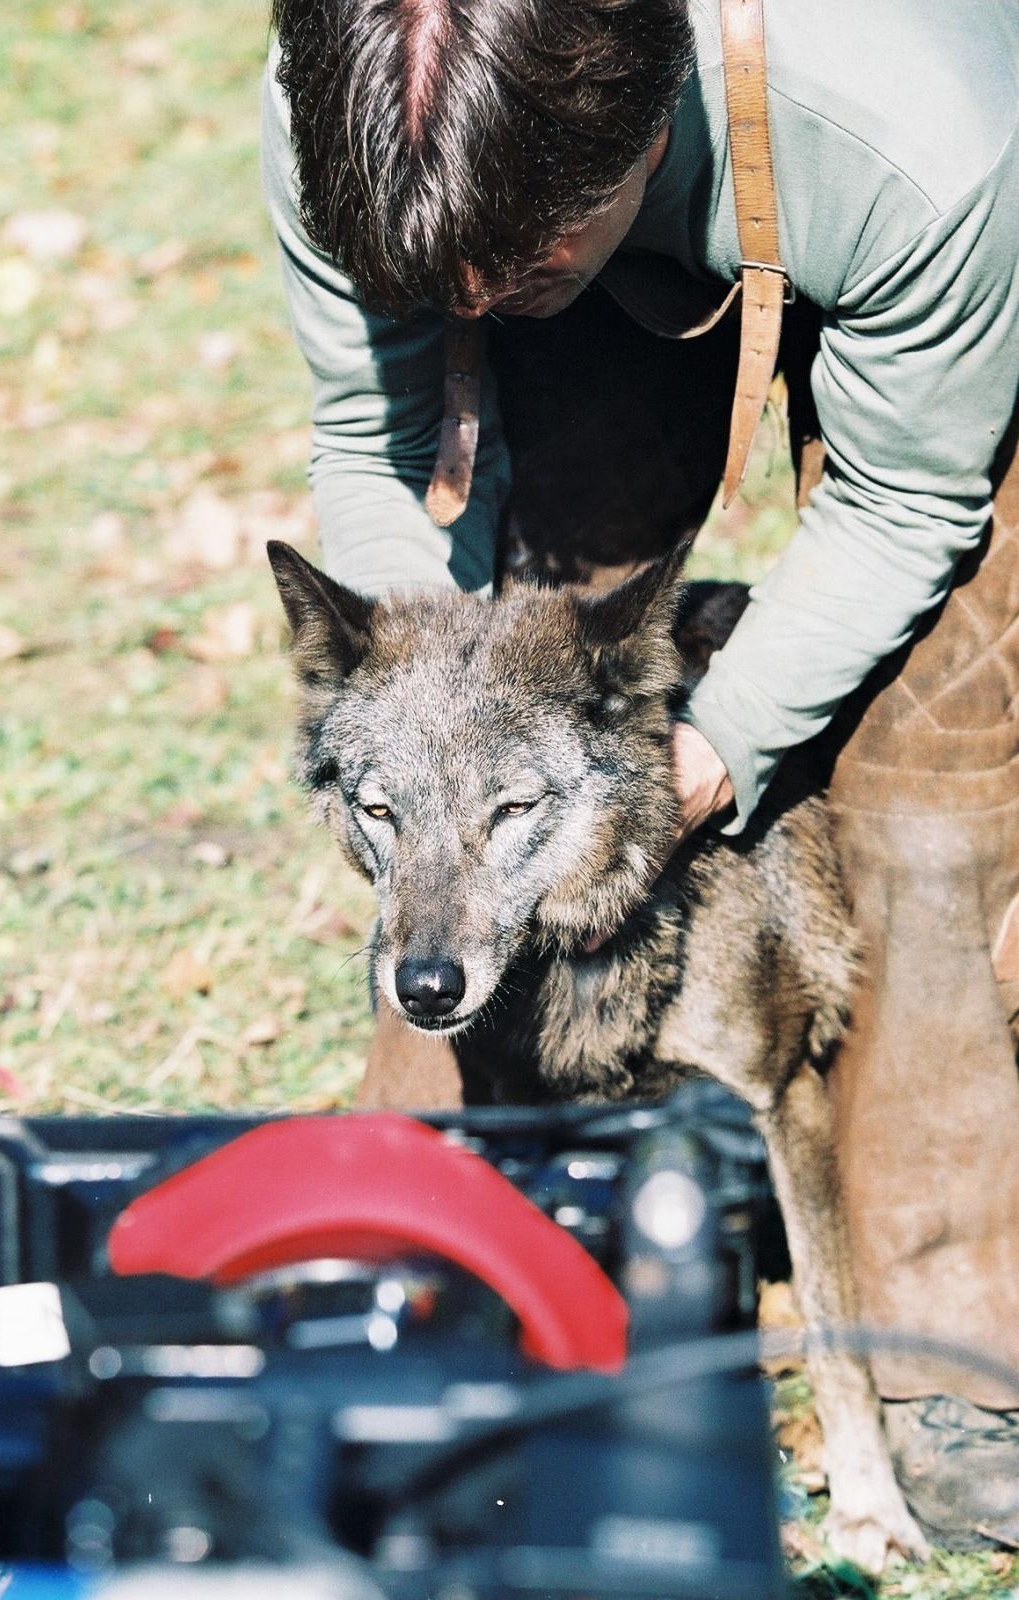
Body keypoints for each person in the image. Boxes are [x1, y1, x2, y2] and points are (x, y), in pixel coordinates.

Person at [261, 0, 1019, 1548]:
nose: (480, 305)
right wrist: (436, 697)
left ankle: (946, 1324)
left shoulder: (924, 142)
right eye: (440, 282)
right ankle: (442, 1249)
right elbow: (375, 432)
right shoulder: (343, 120)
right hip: (586, 212)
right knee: (541, 600)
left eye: (516, 264)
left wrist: (711, 753)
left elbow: (907, 502)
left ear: (650, 109)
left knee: (936, 767)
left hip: (930, 264)